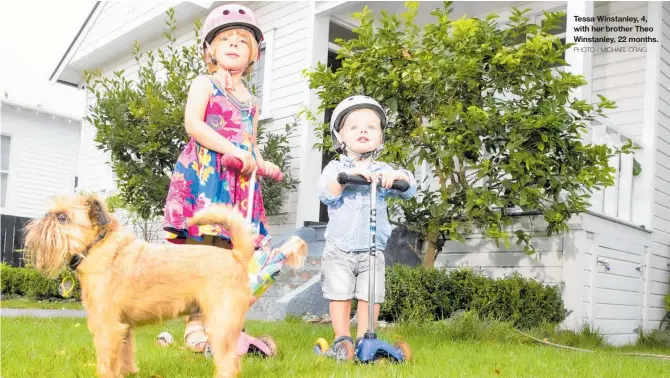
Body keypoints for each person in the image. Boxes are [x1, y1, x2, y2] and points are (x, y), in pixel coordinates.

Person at [163, 3, 279, 353]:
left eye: (241, 41)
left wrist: (262, 162)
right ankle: (195, 327)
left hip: (240, 186)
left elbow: (250, 144)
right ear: (209, 49)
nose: (232, 45)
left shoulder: (251, 100)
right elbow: (194, 125)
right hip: (208, 178)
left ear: (252, 54)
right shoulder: (205, 83)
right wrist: (233, 149)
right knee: (206, 254)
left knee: (236, 257)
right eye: (225, 38)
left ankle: (228, 327)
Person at [317, 95, 417, 357]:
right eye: (354, 127)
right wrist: (345, 179)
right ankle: (342, 339)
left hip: (373, 250)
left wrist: (398, 176)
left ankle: (365, 338)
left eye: (371, 127)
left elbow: (409, 188)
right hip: (340, 248)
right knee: (340, 293)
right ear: (340, 137)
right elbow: (326, 192)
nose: (363, 130)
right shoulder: (335, 167)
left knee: (370, 295)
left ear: (380, 138)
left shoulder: (383, 169)